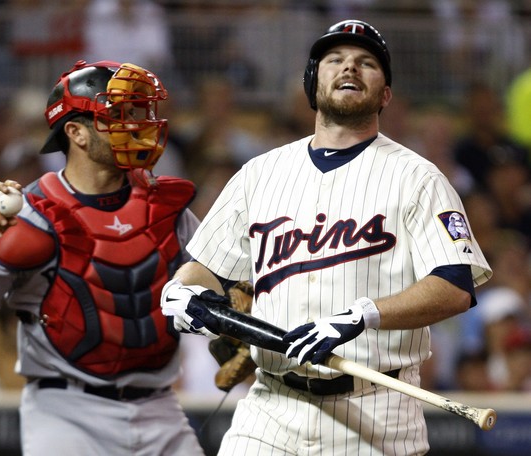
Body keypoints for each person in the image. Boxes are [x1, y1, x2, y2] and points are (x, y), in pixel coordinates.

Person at [160, 20, 492, 455]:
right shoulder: (260, 174)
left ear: (386, 93)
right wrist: (182, 290)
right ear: (312, 84)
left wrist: (364, 315)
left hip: (376, 411)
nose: (348, 67)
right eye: (334, 60)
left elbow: (454, 288)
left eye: (366, 62)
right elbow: (206, 269)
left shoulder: (419, 178)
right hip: (271, 407)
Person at [0, 60, 204, 455]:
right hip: (66, 411)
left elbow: (218, 286)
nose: (134, 125)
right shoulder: (29, 213)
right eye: (116, 115)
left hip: (159, 405)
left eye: (135, 112)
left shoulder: (167, 207)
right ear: (75, 132)